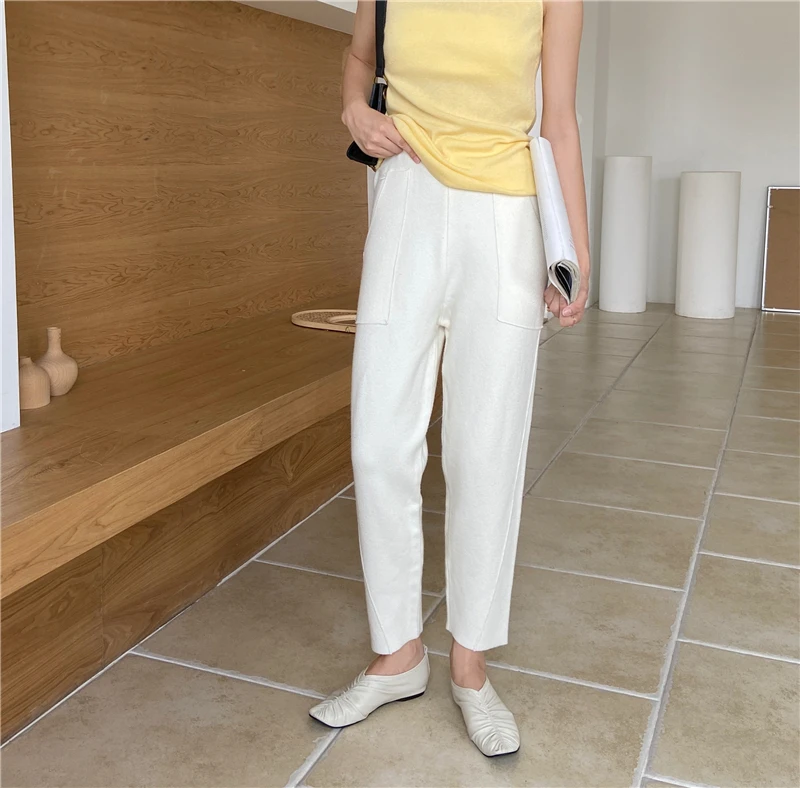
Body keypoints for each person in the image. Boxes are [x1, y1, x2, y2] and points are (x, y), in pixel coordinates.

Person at [310, 0, 590, 757]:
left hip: (505, 221)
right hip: (405, 200)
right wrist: (353, 111)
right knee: (377, 443)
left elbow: (559, 122)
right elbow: (359, 57)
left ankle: (470, 666)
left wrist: (576, 251)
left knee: (485, 451)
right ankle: (399, 653)